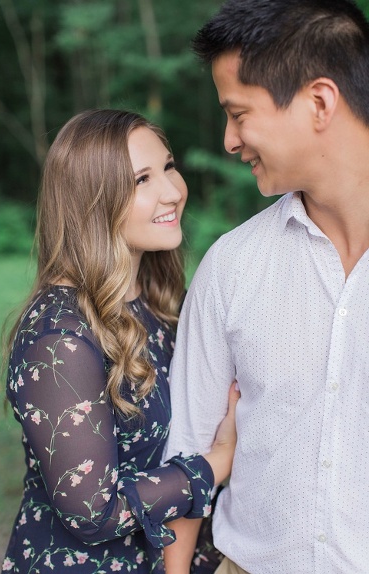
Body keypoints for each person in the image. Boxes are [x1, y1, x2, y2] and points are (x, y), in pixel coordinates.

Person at [162, 1, 369, 573]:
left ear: (319, 103)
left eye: (238, 114)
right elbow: (188, 447)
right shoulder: (231, 265)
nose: (230, 140)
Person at [1, 109, 240, 574]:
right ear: (92, 201)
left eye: (169, 167)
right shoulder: (58, 338)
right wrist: (218, 462)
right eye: (142, 180)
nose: (172, 191)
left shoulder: (162, 305)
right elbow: (92, 512)